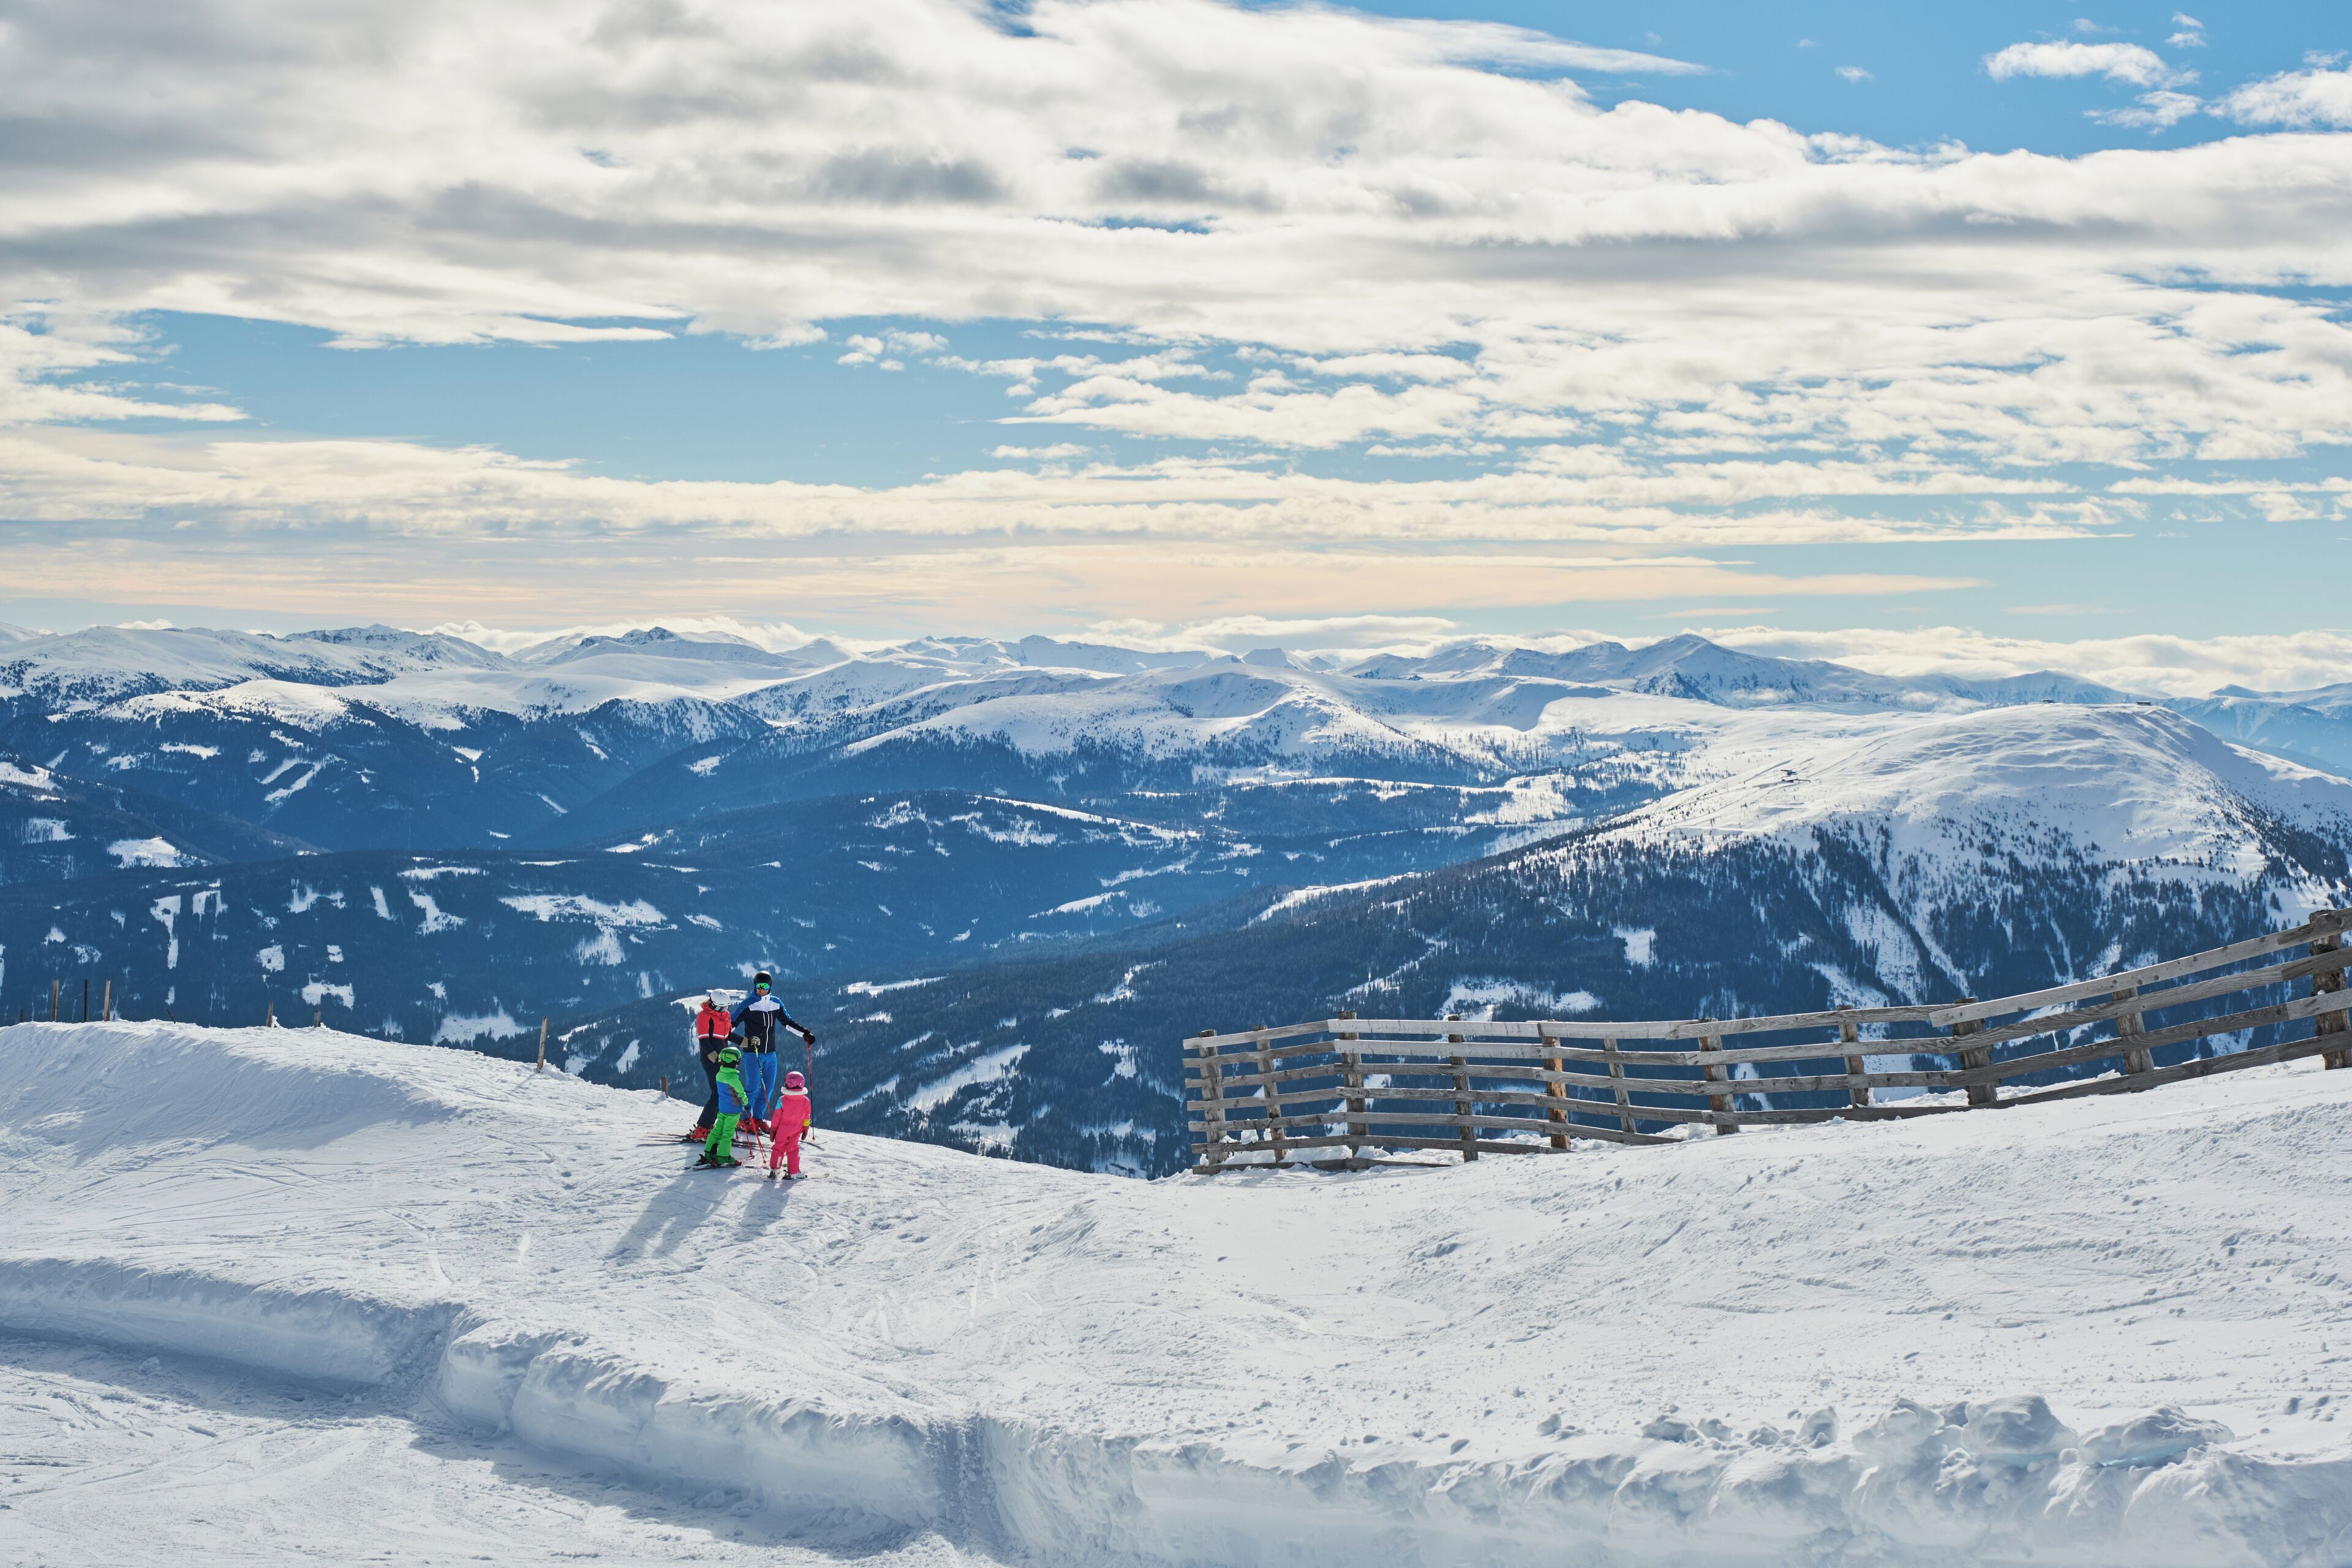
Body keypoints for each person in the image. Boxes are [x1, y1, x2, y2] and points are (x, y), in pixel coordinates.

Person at [731, 971, 815, 1135]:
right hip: (753, 1053)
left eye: (765, 986)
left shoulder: (776, 1003)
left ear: (770, 987)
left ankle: (757, 1119)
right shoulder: (748, 1004)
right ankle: (743, 1119)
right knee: (752, 1087)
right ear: (754, 986)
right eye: (759, 986)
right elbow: (730, 1026)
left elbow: (788, 1022)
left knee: (767, 1089)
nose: (762, 989)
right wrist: (741, 1041)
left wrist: (805, 1034)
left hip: (771, 1054)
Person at [687, 995, 731, 1141]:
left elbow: (729, 1036)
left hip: (724, 1061)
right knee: (717, 1094)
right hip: (711, 1061)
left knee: (723, 1094)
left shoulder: (725, 1015)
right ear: (712, 1004)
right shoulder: (704, 1016)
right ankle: (703, 1129)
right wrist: (714, 1057)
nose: (723, 1010)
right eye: (720, 1008)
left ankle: (709, 1126)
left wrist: (746, 1042)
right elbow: (704, 1041)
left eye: (725, 1007)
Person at [697, 1046, 749, 1169]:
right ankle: (723, 1156)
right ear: (736, 1062)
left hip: (723, 1110)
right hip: (733, 1111)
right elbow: (741, 1094)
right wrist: (747, 1105)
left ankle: (709, 1153)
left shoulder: (719, 1075)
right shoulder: (733, 1079)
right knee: (727, 1134)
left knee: (717, 1131)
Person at [769, 1069, 813, 1179]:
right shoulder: (806, 1101)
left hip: (782, 1130)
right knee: (793, 1149)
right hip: (796, 1130)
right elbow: (807, 1117)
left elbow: (777, 1117)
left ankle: (775, 1169)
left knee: (778, 1148)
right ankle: (793, 1172)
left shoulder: (782, 1100)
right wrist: (805, 1128)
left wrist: (773, 1129)